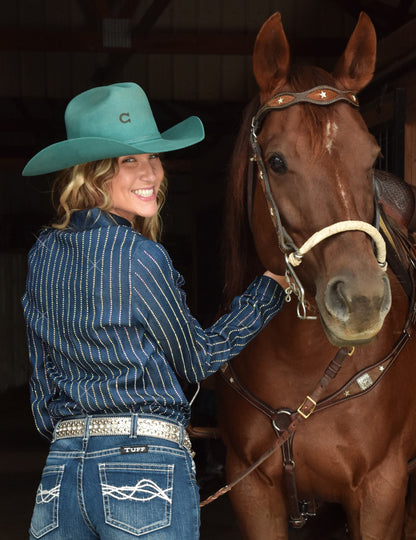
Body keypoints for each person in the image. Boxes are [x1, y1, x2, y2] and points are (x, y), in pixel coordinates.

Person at [21, 82, 286, 540]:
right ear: (93, 172)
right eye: (129, 160)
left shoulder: (44, 252)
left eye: (153, 158)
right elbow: (197, 359)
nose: (150, 173)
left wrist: (81, 435)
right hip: (142, 468)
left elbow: (42, 383)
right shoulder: (141, 256)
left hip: (61, 471)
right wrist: (267, 292)